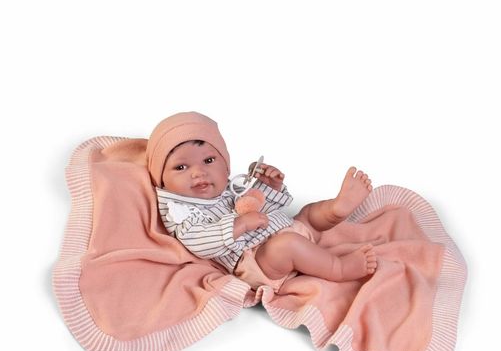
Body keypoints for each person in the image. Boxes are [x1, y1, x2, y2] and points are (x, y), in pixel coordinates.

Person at [146, 111, 377, 291]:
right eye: (181, 167)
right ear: (162, 180)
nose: (198, 173)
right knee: (286, 246)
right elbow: (199, 242)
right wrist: (240, 225)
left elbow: (262, 208)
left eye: (208, 160)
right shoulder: (181, 211)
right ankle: (339, 268)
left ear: (225, 164)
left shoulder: (229, 188)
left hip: (286, 229)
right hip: (258, 261)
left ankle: (337, 209)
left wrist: (268, 186)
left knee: (308, 214)